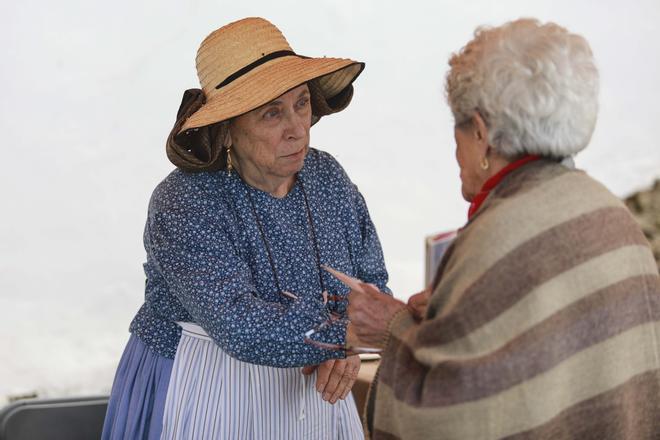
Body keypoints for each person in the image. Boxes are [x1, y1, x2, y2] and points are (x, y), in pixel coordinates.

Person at [344, 18, 660, 439]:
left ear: (481, 133)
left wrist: (395, 329)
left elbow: (448, 416)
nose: (454, 149)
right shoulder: (607, 212)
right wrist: (448, 317)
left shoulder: (496, 237)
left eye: (457, 128)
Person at [102, 17, 391, 439]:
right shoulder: (186, 201)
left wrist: (351, 347)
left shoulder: (328, 177)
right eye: (271, 113)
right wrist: (344, 334)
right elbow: (237, 323)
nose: (297, 129)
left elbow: (370, 281)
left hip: (316, 387)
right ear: (228, 128)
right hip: (204, 384)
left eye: (301, 103)